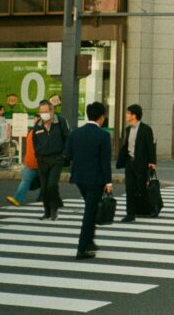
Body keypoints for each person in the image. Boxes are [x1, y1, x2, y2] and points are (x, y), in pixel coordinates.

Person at [65, 101, 113, 260]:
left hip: (79, 177)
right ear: (101, 117)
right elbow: (105, 161)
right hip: (96, 179)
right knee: (89, 212)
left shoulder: (75, 133)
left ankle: (90, 241)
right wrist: (108, 182)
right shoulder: (103, 135)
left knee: (90, 207)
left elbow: (68, 155)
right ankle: (82, 247)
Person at [115, 103, 156, 222]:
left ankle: (153, 208)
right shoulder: (128, 129)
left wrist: (152, 162)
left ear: (134, 115)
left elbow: (150, 146)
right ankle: (130, 214)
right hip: (130, 163)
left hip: (142, 164)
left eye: (128, 113)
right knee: (129, 188)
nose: (126, 115)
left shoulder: (145, 129)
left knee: (143, 188)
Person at [32, 99, 70, 220]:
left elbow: (67, 138)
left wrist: (64, 155)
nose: (43, 114)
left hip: (56, 158)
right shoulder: (38, 124)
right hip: (42, 159)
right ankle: (47, 211)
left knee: (52, 185)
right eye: (40, 111)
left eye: (45, 111)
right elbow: (34, 141)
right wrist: (37, 154)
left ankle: (54, 210)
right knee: (44, 188)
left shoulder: (61, 122)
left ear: (51, 111)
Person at [6, 116, 41, 206]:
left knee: (26, 181)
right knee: (43, 181)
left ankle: (18, 198)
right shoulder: (40, 133)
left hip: (30, 161)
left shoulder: (31, 132)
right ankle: (19, 198)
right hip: (37, 161)